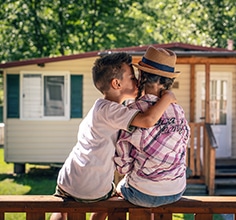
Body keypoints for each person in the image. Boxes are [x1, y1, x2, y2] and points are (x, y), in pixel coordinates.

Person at [50, 52, 177, 220]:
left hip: (69, 177)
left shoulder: (100, 107)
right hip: (93, 185)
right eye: (132, 77)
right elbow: (147, 120)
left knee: (62, 210)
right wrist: (167, 98)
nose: (138, 81)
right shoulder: (112, 110)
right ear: (117, 83)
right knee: (112, 199)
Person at [114, 46, 190, 208]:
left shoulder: (134, 112)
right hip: (176, 190)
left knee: (118, 188)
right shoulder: (178, 110)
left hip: (142, 193)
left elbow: (123, 165)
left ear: (141, 76)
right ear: (168, 81)